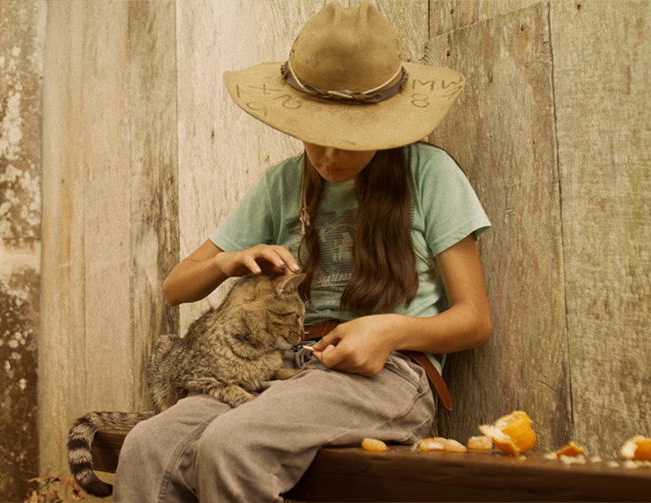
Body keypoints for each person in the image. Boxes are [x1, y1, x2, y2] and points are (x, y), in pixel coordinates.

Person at [115, 3, 492, 501]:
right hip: (280, 364)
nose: (329, 156)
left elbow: (475, 320)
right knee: (147, 446)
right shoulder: (282, 184)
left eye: (349, 139)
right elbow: (175, 287)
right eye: (317, 136)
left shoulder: (429, 175)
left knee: (233, 446)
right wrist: (227, 262)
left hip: (388, 373)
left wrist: (390, 330)